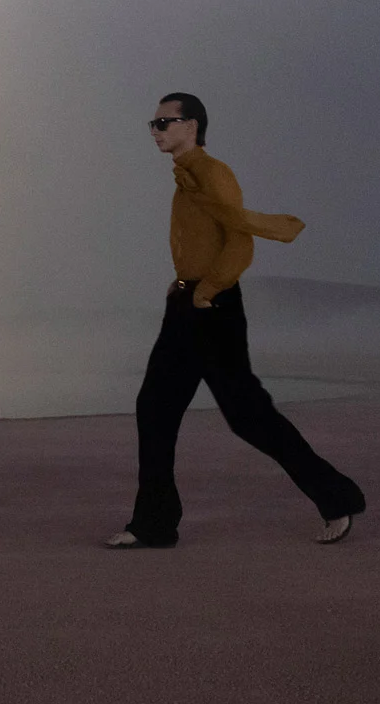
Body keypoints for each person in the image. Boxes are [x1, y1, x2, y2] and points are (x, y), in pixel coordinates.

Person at [106, 93, 364, 550]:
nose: (156, 130)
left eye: (165, 122)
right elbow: (201, 241)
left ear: (192, 126)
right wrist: (181, 283)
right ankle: (154, 523)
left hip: (214, 310)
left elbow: (240, 244)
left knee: (248, 416)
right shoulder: (185, 179)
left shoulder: (214, 174)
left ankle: (337, 496)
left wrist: (204, 291)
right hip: (186, 306)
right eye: (153, 122)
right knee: (155, 410)